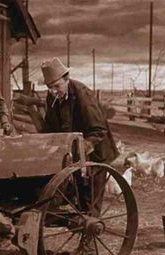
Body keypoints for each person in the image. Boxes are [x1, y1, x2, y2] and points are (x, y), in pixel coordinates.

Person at [40, 57, 119, 216]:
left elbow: (98, 129)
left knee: (92, 200)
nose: (54, 91)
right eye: (50, 88)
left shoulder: (82, 94)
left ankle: (91, 231)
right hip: (75, 153)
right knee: (81, 196)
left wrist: (83, 151)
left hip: (96, 152)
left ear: (66, 79)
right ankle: (83, 223)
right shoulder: (53, 97)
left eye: (56, 86)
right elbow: (50, 126)